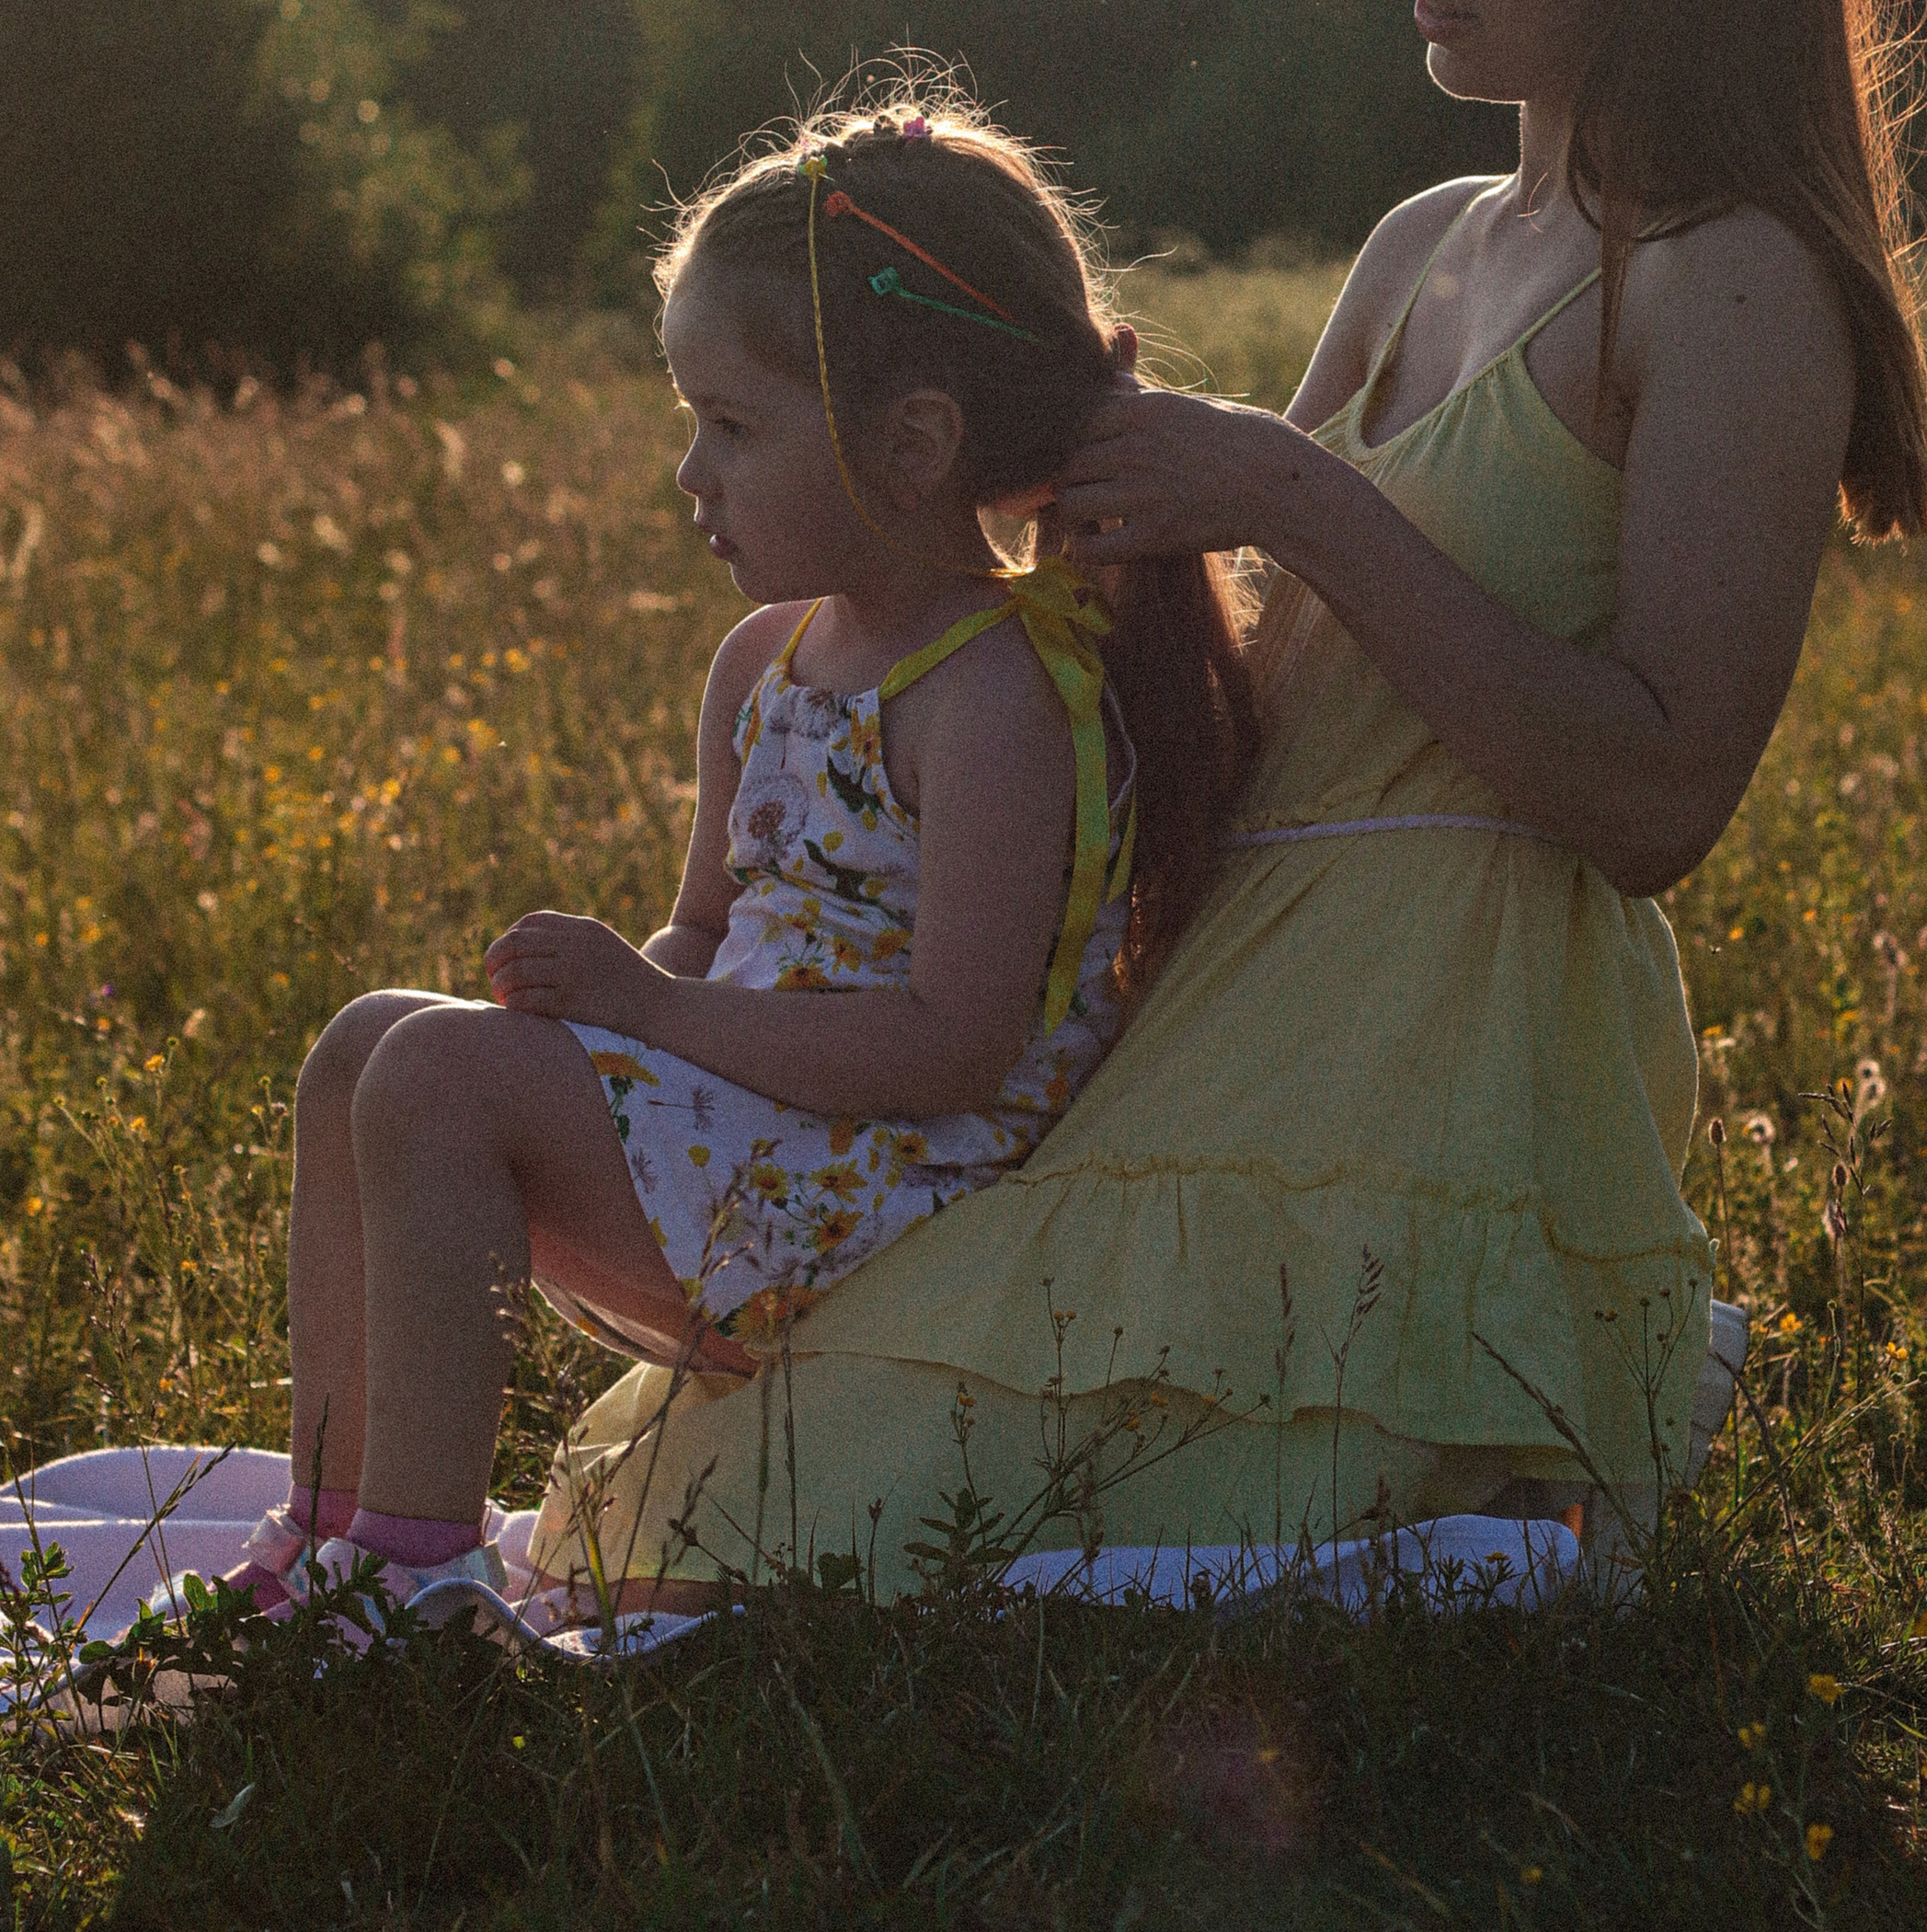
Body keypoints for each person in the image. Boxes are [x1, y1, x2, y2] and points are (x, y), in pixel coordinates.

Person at [537, 0, 1927, 1598]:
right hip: (1211, 993)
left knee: (834, 1537)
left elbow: (1653, 805)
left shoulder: (1731, 284)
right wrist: (971, 472)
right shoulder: (1424, 240)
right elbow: (1217, 686)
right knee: (748, 1495)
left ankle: (1530, 1416)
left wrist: (1290, 495)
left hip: (1439, 1031)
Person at [226, 103, 1255, 1621]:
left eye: (736, 425)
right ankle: (327, 1526)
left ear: (913, 445)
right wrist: (598, 1005)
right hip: (767, 1141)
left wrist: (639, 1019)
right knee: (365, 1045)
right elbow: (706, 935)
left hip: (899, 1196)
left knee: (437, 1077)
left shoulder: (993, 697)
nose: (690, 475)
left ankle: (415, 1581)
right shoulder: (765, 663)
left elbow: (954, 1044)